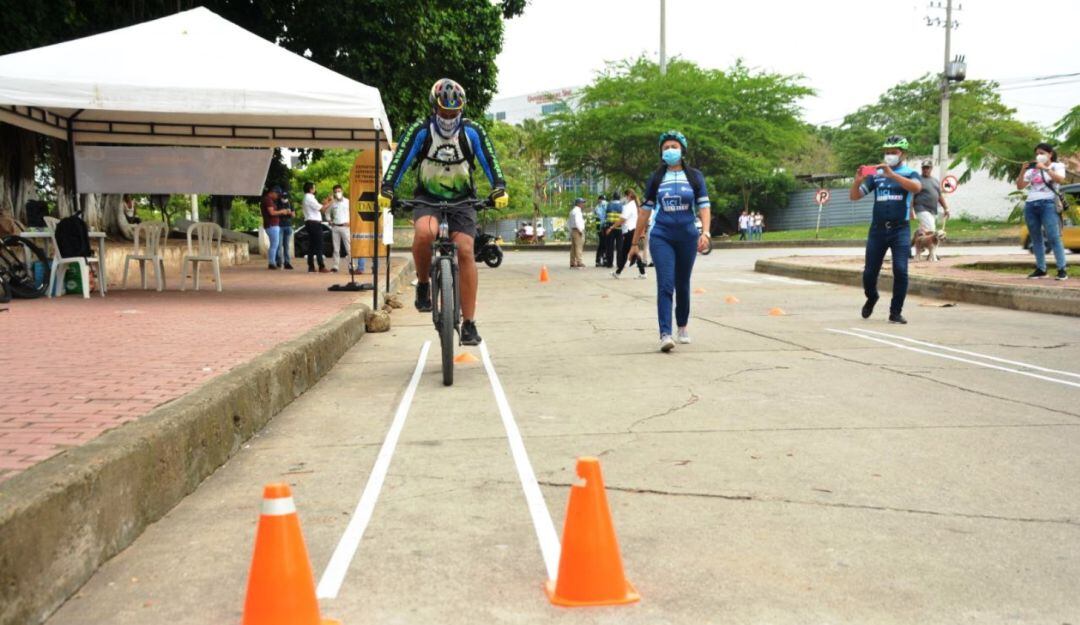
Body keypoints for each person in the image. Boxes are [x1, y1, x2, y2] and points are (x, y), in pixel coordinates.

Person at [378, 78, 508, 345]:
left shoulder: (473, 132)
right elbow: (400, 159)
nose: (449, 118)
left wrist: (499, 187)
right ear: (434, 108)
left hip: (463, 200)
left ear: (461, 110)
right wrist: (388, 187)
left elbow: (490, 160)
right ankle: (424, 284)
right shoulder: (421, 130)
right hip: (427, 198)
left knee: (466, 250)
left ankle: (469, 323)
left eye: (454, 113)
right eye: (444, 112)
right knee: (425, 234)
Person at [627, 130, 711, 352]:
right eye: (666, 148)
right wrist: (634, 243)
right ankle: (665, 333)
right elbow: (644, 212)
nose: (670, 151)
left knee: (682, 284)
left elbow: (704, 206)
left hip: (688, 236)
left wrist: (706, 233)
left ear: (682, 150)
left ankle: (682, 326)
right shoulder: (656, 178)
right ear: (661, 153)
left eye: (674, 146)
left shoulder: (695, 177)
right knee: (665, 284)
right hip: (662, 235)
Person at [850, 135, 923, 324]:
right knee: (869, 272)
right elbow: (855, 196)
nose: (890, 155)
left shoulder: (909, 173)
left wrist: (893, 175)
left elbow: (916, 188)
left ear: (903, 154)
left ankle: (895, 311)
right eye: (887, 152)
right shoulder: (877, 175)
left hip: (900, 229)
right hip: (878, 230)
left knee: (901, 270)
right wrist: (858, 181)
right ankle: (872, 297)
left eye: (894, 152)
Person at [1016, 142, 1068, 280]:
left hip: (1048, 203)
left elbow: (1060, 179)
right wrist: (1022, 170)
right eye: (1037, 153)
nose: (1039, 156)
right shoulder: (1032, 169)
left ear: (1050, 154)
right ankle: (1041, 268)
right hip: (1031, 204)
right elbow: (1020, 186)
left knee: (1053, 236)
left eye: (1042, 153)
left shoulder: (1057, 166)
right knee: (1035, 237)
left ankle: (1062, 269)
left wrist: (1044, 168)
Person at [912, 160, 950, 245]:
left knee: (923, 231)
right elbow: (912, 196)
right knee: (931, 228)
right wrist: (911, 210)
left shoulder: (935, 181)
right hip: (921, 208)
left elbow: (939, 196)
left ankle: (912, 247)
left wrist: (946, 208)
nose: (925, 170)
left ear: (931, 168)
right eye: (924, 168)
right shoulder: (918, 180)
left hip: (932, 210)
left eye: (927, 168)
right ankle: (932, 252)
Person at [613, 189, 646, 279]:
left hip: (629, 232)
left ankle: (618, 272)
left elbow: (622, 219)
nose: (625, 198)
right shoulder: (637, 206)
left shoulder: (628, 206)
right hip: (634, 231)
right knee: (634, 252)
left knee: (625, 253)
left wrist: (612, 227)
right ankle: (642, 273)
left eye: (625, 195)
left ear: (628, 196)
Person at [300, 182, 329, 273]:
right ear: (310, 189)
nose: (315, 189)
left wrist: (326, 202)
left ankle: (311, 266)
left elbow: (320, 206)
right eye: (314, 188)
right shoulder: (309, 198)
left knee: (312, 245)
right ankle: (321, 266)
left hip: (310, 223)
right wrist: (331, 201)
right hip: (314, 223)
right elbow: (322, 209)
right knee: (319, 245)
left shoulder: (308, 198)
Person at [324, 184, 352, 273]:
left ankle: (351, 265)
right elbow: (327, 213)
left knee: (348, 248)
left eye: (339, 191)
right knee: (336, 248)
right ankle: (335, 266)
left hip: (345, 227)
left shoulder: (348, 202)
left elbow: (353, 212)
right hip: (335, 227)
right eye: (335, 192)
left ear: (342, 191)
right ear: (334, 193)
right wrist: (329, 221)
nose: (337, 193)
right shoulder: (333, 203)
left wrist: (350, 221)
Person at [260, 186, 286, 270]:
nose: (277, 196)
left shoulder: (268, 200)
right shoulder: (267, 200)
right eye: (277, 194)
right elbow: (272, 212)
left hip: (272, 225)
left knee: (274, 244)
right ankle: (271, 263)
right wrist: (282, 211)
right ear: (273, 192)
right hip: (272, 225)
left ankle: (272, 262)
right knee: (274, 245)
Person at [602, 191, 623, 268]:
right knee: (619, 247)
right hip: (619, 228)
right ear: (619, 197)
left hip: (610, 228)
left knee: (609, 246)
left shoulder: (608, 205)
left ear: (613, 197)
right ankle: (619, 263)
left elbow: (604, 217)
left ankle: (609, 263)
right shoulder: (622, 206)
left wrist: (604, 227)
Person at [276, 191, 295, 270]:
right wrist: (282, 212)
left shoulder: (290, 203)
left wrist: (290, 213)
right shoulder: (277, 203)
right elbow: (274, 213)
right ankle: (279, 262)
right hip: (279, 225)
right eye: (283, 197)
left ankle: (287, 262)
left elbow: (294, 215)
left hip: (288, 225)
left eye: (286, 197)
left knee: (286, 246)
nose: (284, 198)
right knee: (279, 246)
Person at [568, 198, 586, 268]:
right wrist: (580, 230)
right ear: (579, 204)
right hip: (578, 230)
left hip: (573, 230)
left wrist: (570, 231)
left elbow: (569, 222)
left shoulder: (572, 211)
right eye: (582, 203)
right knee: (579, 246)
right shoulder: (577, 211)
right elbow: (577, 221)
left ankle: (572, 262)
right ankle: (579, 262)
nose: (583, 204)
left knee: (573, 248)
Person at [593, 194, 608, 266]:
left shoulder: (602, 206)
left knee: (604, 244)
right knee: (602, 244)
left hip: (603, 228)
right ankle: (599, 260)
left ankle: (602, 259)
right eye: (601, 199)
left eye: (604, 199)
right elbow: (601, 217)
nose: (603, 201)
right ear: (598, 200)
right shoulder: (598, 208)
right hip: (600, 228)